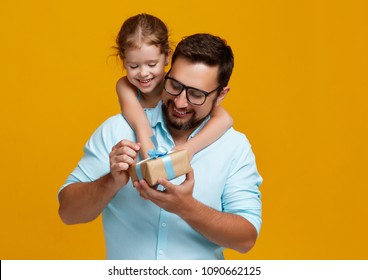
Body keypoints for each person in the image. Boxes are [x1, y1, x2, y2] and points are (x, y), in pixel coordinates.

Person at [58, 33, 263, 260]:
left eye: (196, 95)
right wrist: (111, 181)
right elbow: (68, 213)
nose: (180, 102)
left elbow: (246, 238)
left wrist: (186, 207)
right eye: (175, 85)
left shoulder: (234, 147)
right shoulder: (117, 130)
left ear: (221, 94)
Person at [114, 13, 233, 159]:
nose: (144, 73)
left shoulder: (178, 83)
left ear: (167, 57)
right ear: (123, 60)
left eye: (152, 64)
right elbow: (142, 127)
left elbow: (225, 119)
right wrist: (153, 166)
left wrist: (189, 148)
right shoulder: (125, 86)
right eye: (133, 66)